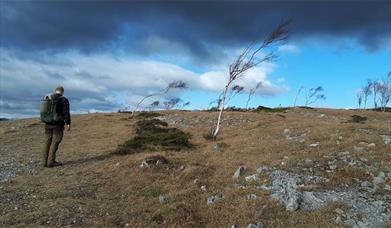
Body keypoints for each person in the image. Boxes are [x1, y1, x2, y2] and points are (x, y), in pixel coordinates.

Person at [42, 86, 71, 168]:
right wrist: (68, 123)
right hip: (58, 125)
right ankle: (51, 162)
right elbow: (66, 112)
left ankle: (44, 162)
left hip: (47, 124)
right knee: (55, 142)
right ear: (63, 92)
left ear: (55, 91)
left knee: (47, 143)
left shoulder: (48, 99)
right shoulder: (64, 100)